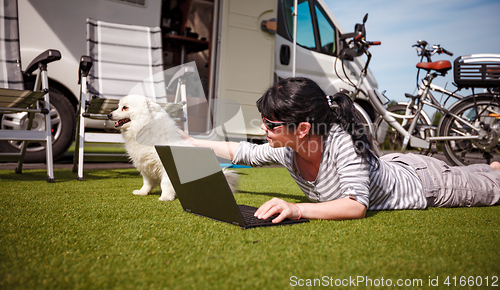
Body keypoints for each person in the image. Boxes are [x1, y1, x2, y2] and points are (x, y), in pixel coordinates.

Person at [181, 77, 500, 223]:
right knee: (479, 172)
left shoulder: (342, 144)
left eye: (271, 124)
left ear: (302, 129)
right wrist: (194, 142)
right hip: (389, 165)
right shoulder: (288, 150)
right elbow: (242, 152)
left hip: (424, 183)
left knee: (488, 187)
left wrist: (298, 209)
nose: (264, 131)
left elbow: (355, 206)